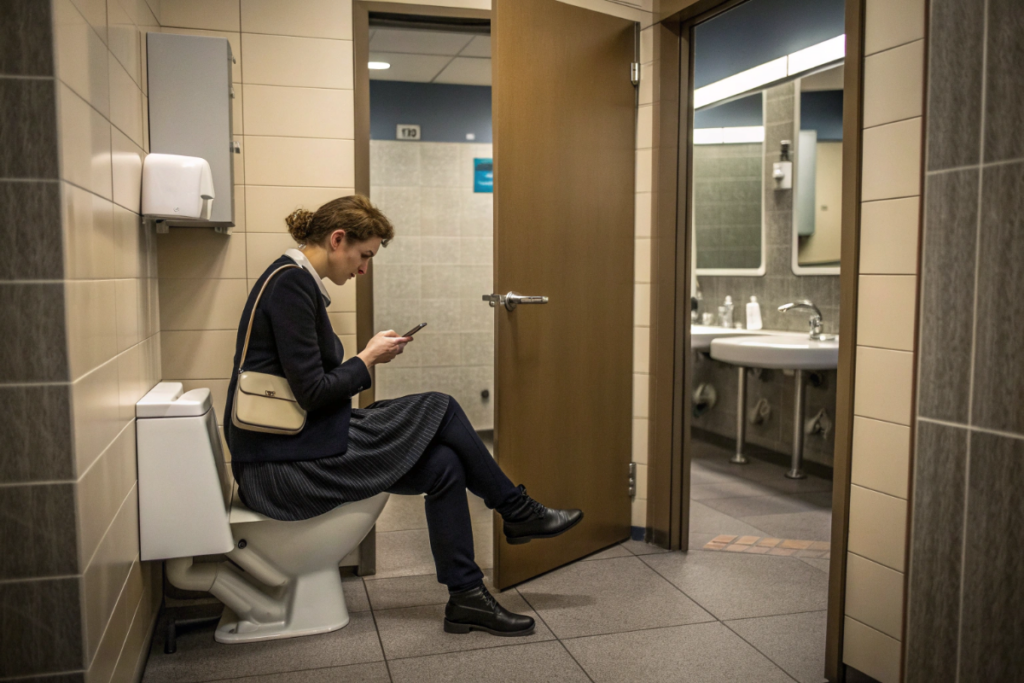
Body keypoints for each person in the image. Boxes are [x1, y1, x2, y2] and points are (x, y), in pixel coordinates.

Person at [224, 195, 583, 637]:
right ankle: (515, 509)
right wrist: (366, 359)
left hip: (297, 449)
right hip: (282, 470)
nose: (363, 269)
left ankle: (467, 598)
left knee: (444, 467)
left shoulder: (292, 281)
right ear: (338, 239)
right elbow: (314, 392)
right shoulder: (291, 285)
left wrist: (364, 359)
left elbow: (306, 386)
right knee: (441, 405)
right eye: (364, 255)